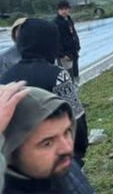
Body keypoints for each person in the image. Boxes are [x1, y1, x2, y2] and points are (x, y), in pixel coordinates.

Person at [0, 82, 113, 194]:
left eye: (66, 131)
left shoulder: (63, 166)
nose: (67, 147)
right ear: (9, 152)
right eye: (47, 143)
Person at [0, 19, 89, 166]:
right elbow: (75, 117)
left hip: (18, 163)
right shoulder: (57, 75)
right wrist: (79, 152)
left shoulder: (5, 78)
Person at [54, 0, 81, 84]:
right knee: (67, 77)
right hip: (65, 54)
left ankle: (76, 92)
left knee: (75, 74)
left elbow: (74, 35)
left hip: (73, 52)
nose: (64, 11)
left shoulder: (69, 20)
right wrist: (62, 55)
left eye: (66, 9)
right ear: (58, 10)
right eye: (62, 9)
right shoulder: (56, 23)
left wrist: (77, 46)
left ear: (69, 9)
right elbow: (56, 40)